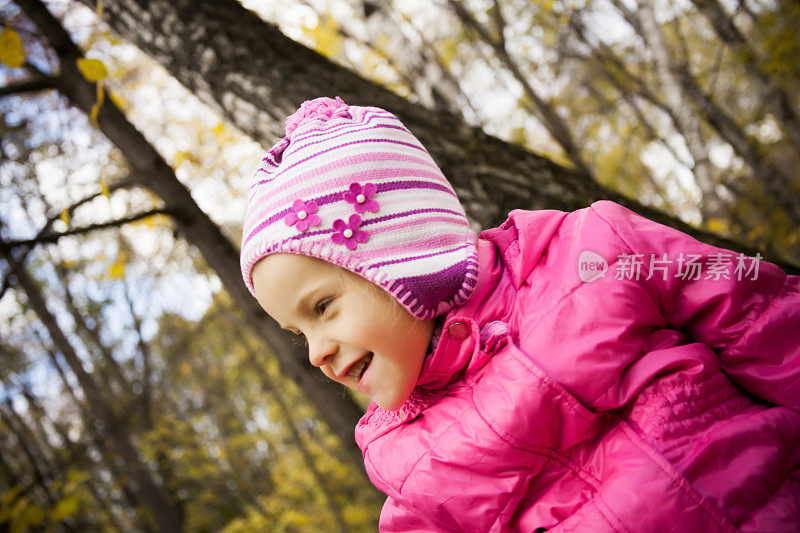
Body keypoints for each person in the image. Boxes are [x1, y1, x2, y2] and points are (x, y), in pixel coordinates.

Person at [240, 97, 800, 532]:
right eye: (299, 333)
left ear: (404, 256)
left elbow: (763, 323)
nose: (316, 351)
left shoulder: (589, 252)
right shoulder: (405, 461)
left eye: (322, 308)